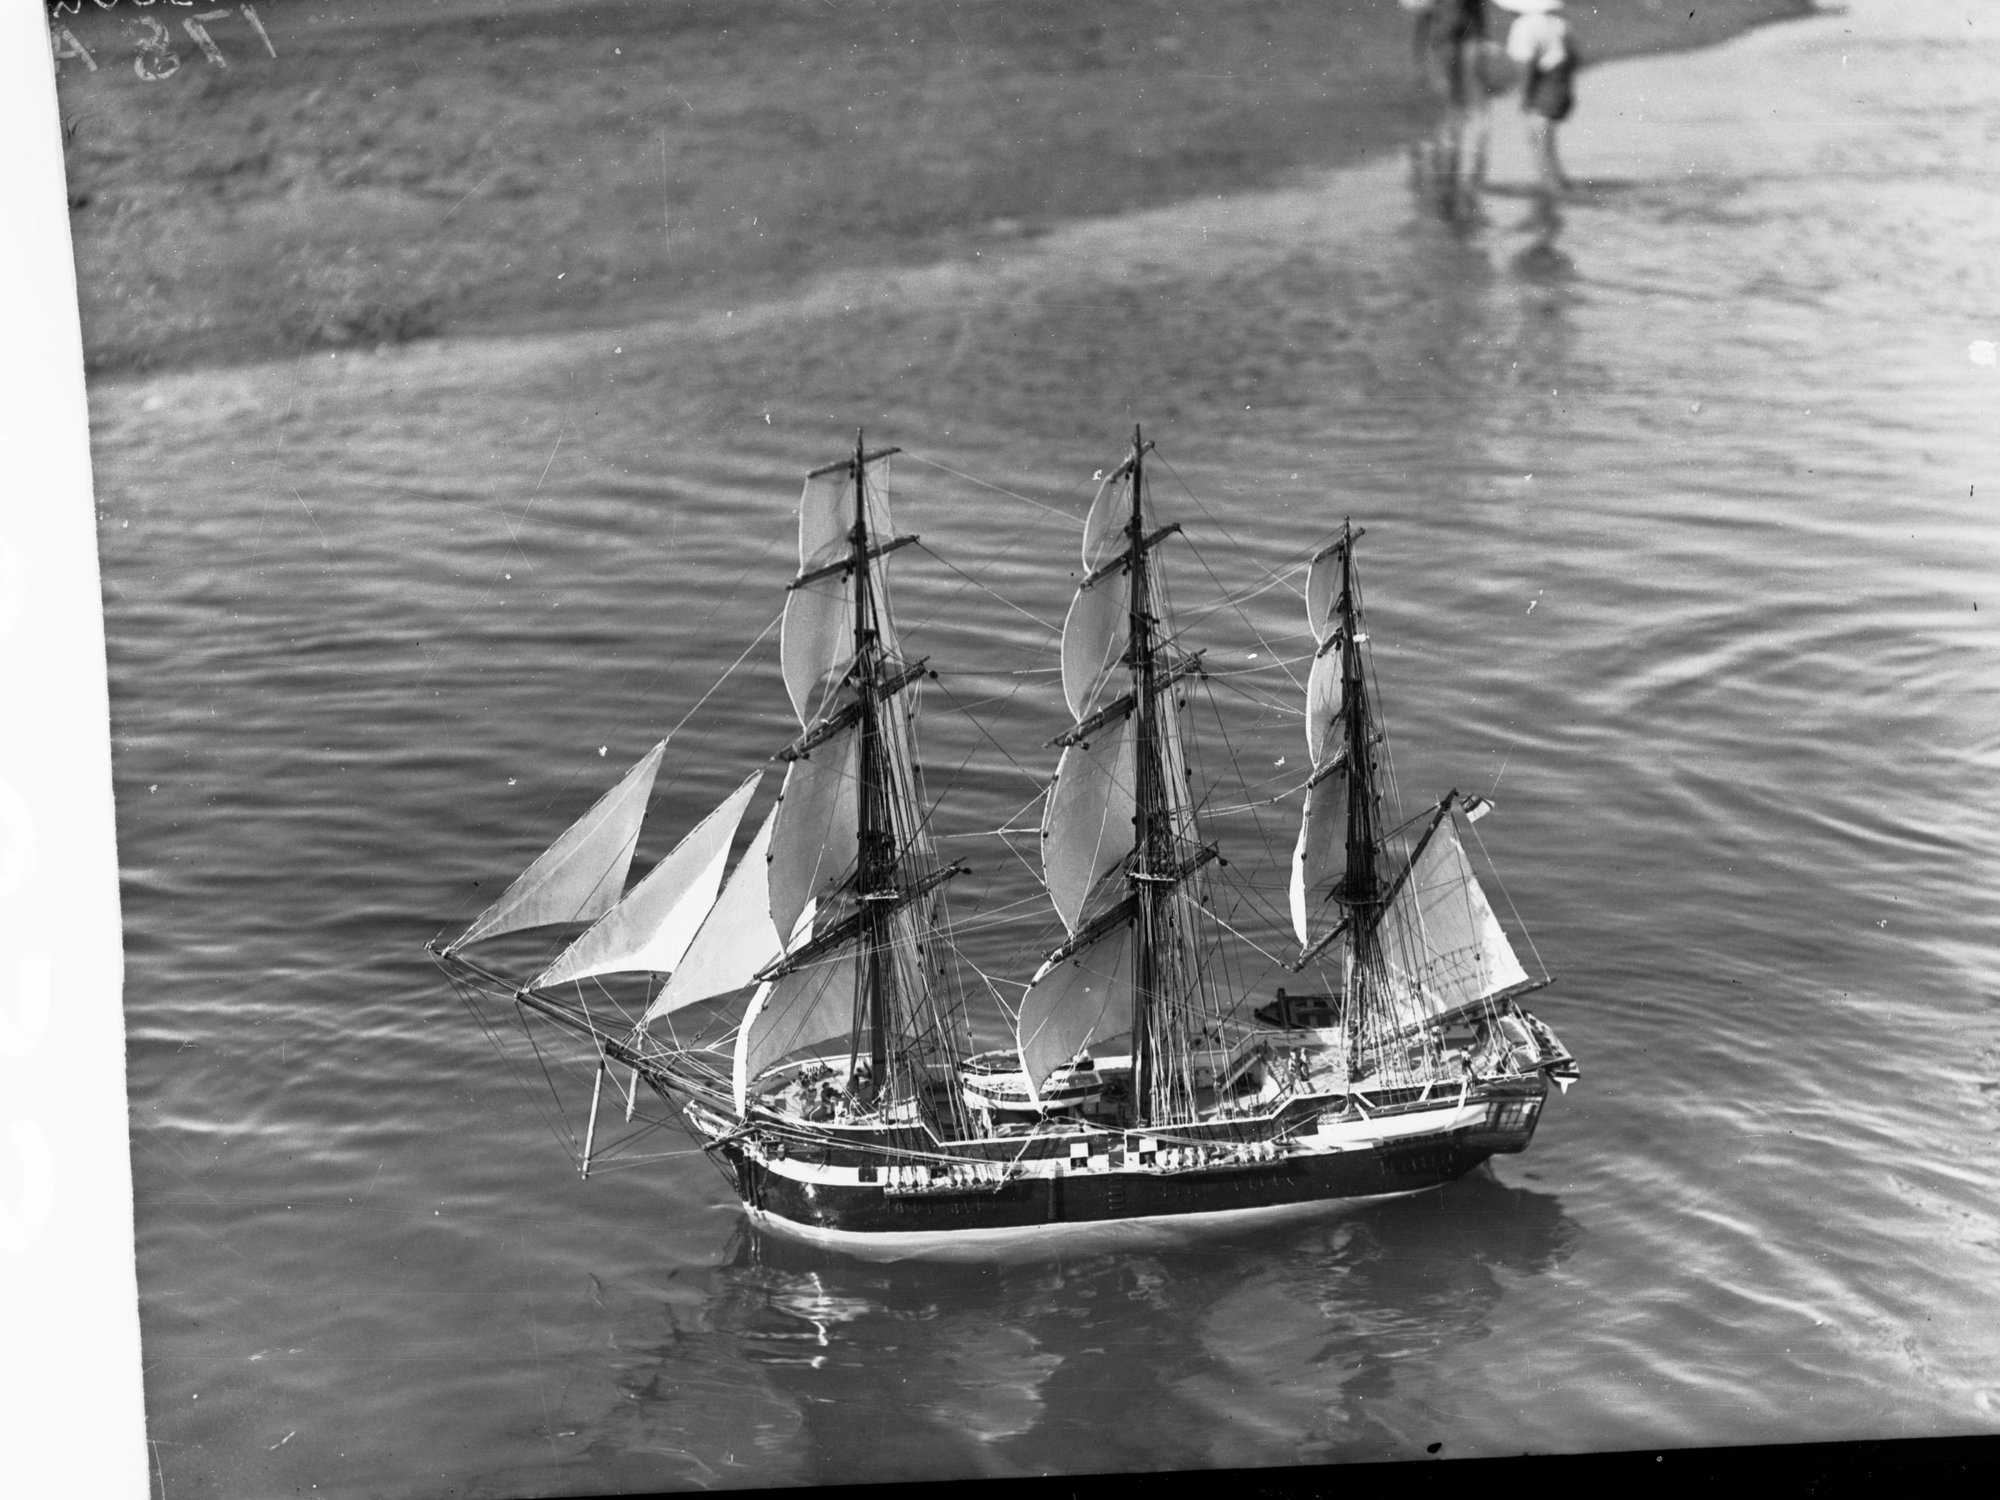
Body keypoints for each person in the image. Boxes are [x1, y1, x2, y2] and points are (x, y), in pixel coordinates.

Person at [1499, 0, 1577, 194]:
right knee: (1547, 141)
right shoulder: (1559, 23)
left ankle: (1552, 189)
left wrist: (1524, 96)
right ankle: (1558, 183)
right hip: (1559, 80)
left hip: (1540, 85)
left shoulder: (1523, 26)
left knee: (1538, 140)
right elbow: (1575, 57)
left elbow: (1526, 63)